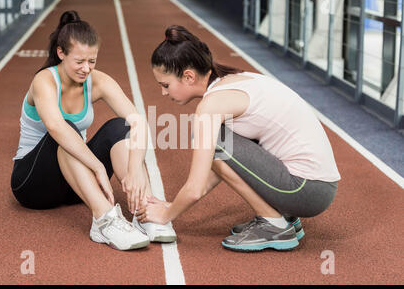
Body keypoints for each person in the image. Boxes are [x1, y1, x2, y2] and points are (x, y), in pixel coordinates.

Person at [136, 25, 341, 252]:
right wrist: (173, 204)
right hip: (315, 187)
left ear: (188, 76)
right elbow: (224, 165)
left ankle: (274, 224)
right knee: (221, 141)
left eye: (165, 85)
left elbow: (195, 187)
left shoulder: (212, 106)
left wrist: (166, 214)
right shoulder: (235, 78)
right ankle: (281, 218)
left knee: (210, 138)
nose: (164, 93)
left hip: (306, 190)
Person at [10, 10, 176, 251]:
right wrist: (97, 166)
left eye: (92, 61)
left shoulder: (98, 81)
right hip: (33, 185)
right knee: (66, 131)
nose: (86, 69)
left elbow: (139, 122)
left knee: (121, 126)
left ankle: (144, 209)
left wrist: (135, 170)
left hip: (77, 183)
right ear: (61, 53)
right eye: (79, 61)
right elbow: (56, 127)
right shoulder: (44, 82)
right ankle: (104, 220)